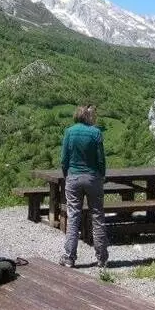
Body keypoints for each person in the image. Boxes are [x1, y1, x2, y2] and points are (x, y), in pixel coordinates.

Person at [59, 104, 108, 269]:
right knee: (97, 216)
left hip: (73, 177)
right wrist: (101, 176)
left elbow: (64, 159)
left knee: (73, 217)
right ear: (88, 117)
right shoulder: (96, 133)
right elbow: (101, 160)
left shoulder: (69, 132)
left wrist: (67, 175)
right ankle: (101, 259)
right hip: (93, 178)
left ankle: (69, 257)